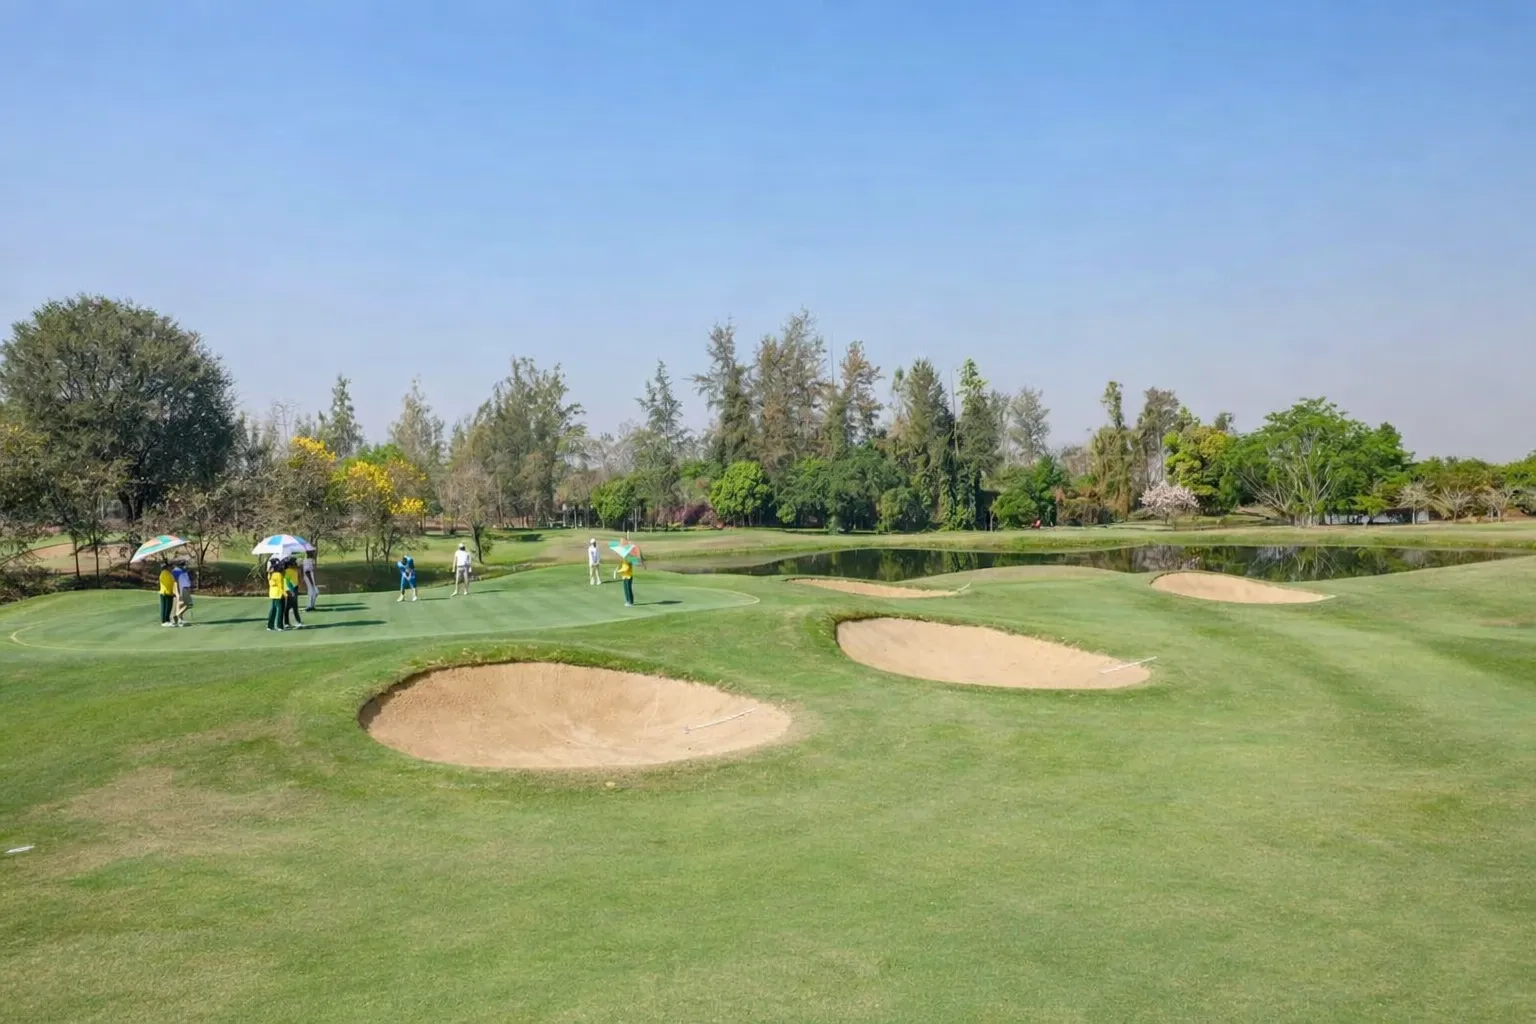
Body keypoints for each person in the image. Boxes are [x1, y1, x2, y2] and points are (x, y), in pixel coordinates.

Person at [265, 558, 287, 631]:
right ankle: (279, 626)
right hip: (279, 594)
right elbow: (280, 585)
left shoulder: (270, 574)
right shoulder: (278, 575)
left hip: (273, 594)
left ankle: (270, 625)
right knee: (280, 610)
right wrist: (285, 594)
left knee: (273, 609)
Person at [284, 557, 305, 628]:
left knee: (288, 607)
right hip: (291, 589)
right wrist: (292, 590)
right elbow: (288, 582)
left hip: (290, 589)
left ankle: (286, 622)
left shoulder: (291, 570)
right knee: (294, 606)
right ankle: (298, 621)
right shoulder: (290, 571)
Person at [171, 560, 193, 625]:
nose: (184, 565)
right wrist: (177, 591)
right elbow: (175, 582)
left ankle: (180, 618)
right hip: (181, 589)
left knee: (186, 604)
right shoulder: (176, 571)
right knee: (186, 604)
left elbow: (187, 580)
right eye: (183, 564)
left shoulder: (184, 570)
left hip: (186, 589)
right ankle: (178, 616)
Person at [157, 562, 177, 626]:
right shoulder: (165, 574)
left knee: (167, 607)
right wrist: (171, 592)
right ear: (167, 567)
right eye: (170, 567)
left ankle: (166, 620)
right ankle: (165, 621)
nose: (171, 568)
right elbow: (168, 584)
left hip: (167, 592)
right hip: (166, 592)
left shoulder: (167, 573)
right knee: (166, 608)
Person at [302, 546, 319, 611]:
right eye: (313, 552)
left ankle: (312, 605)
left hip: (312, 577)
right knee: (312, 591)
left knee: (315, 592)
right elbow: (307, 572)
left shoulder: (311, 560)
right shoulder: (307, 561)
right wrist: (311, 581)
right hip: (309, 578)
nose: (314, 553)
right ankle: (309, 606)